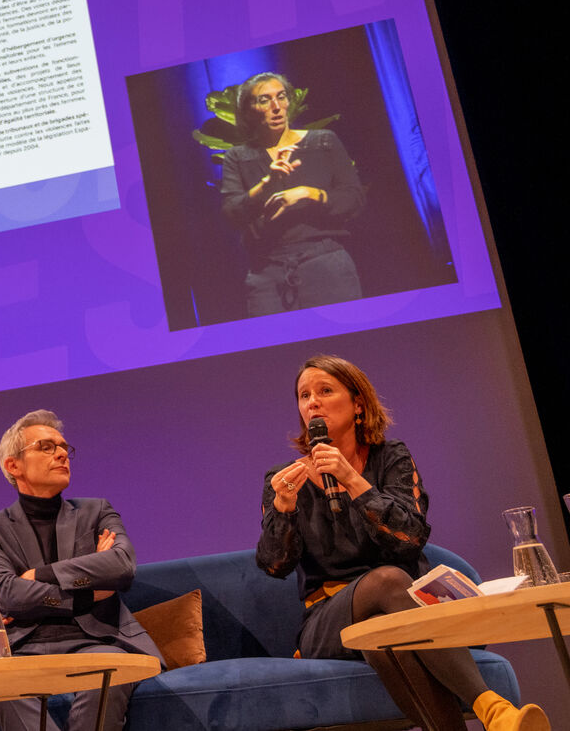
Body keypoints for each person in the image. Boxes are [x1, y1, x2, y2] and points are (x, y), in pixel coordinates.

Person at [257, 356, 548, 731]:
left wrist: (353, 481)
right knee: (388, 580)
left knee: (387, 637)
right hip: (329, 620)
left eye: (325, 391)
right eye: (304, 395)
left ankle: (494, 719)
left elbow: (409, 539)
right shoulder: (284, 480)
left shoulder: (391, 458)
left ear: (358, 403)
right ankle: (493, 709)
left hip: (404, 608)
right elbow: (274, 565)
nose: (312, 402)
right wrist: (283, 506)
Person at [0, 410, 161, 731]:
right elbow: (4, 593)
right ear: (13, 465)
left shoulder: (97, 510)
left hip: (98, 640)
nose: (61, 454)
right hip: (24, 647)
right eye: (46, 447)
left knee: (108, 674)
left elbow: (122, 566)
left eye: (63, 448)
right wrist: (88, 593)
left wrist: (38, 575)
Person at [219, 72, 364, 316]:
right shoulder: (238, 157)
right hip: (268, 273)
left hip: (325, 263)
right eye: (264, 100)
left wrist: (307, 193)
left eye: (281, 97)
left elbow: (354, 199)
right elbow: (232, 213)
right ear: (248, 111)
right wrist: (267, 183)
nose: (276, 107)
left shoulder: (323, 142)